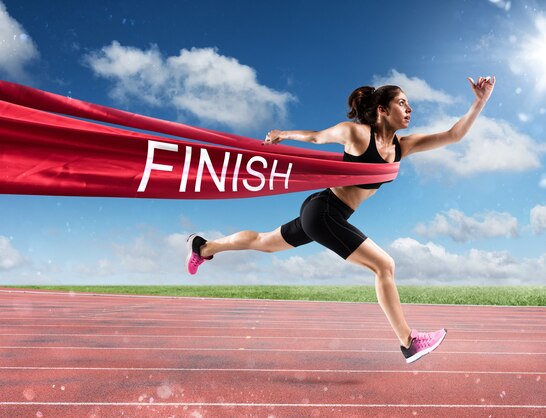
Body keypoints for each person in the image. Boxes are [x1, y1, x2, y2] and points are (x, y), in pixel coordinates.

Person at [186, 76, 495, 363]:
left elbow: (453, 135)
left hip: (326, 213)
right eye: (401, 102)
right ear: (382, 109)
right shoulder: (358, 134)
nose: (409, 108)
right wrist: (284, 134)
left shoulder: (403, 146)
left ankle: (203, 247)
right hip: (324, 211)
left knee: (264, 242)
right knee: (384, 266)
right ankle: (408, 341)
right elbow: (318, 137)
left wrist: (479, 101)